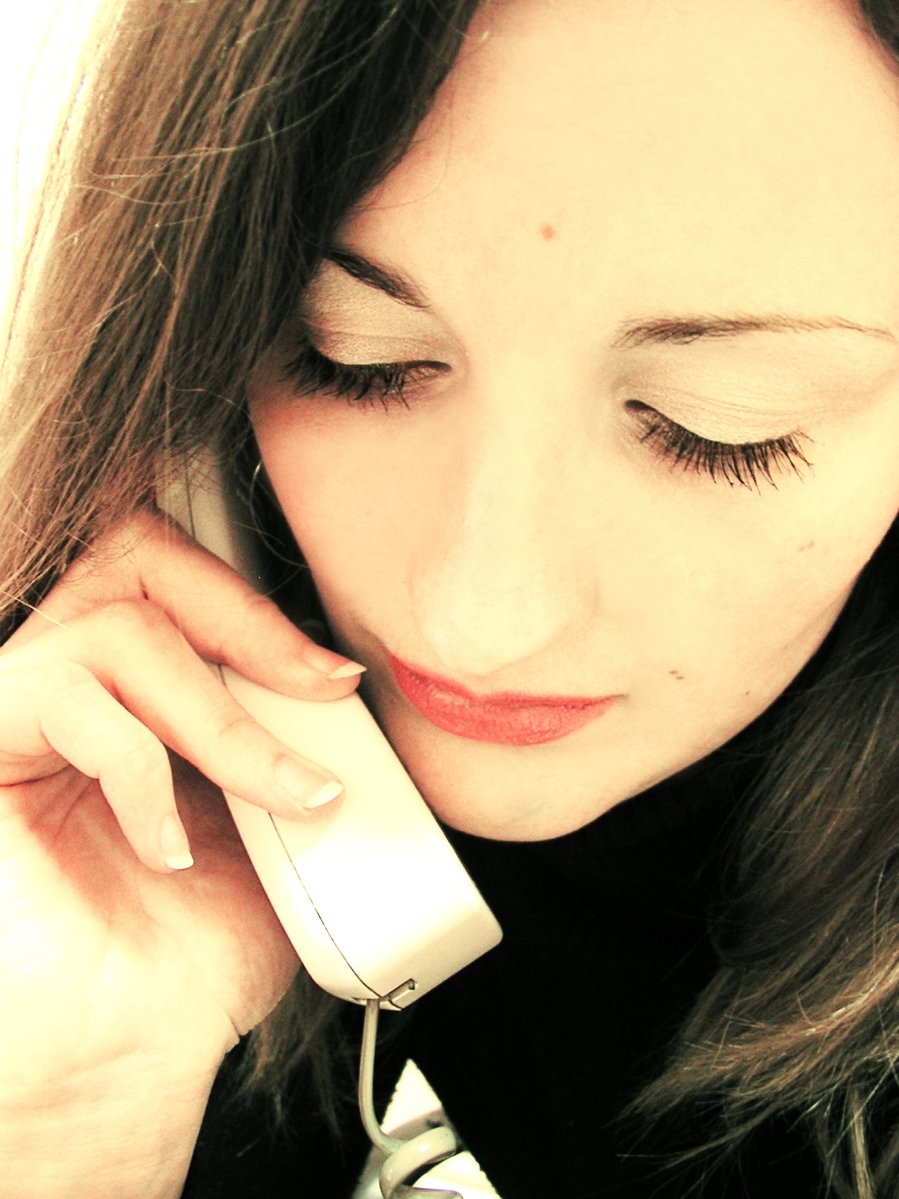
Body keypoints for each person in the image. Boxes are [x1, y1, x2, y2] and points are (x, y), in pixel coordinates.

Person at [0, 0, 897, 1195]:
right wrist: (63, 1133)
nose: (474, 617)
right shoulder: (71, 757)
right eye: (349, 354)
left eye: (715, 427)